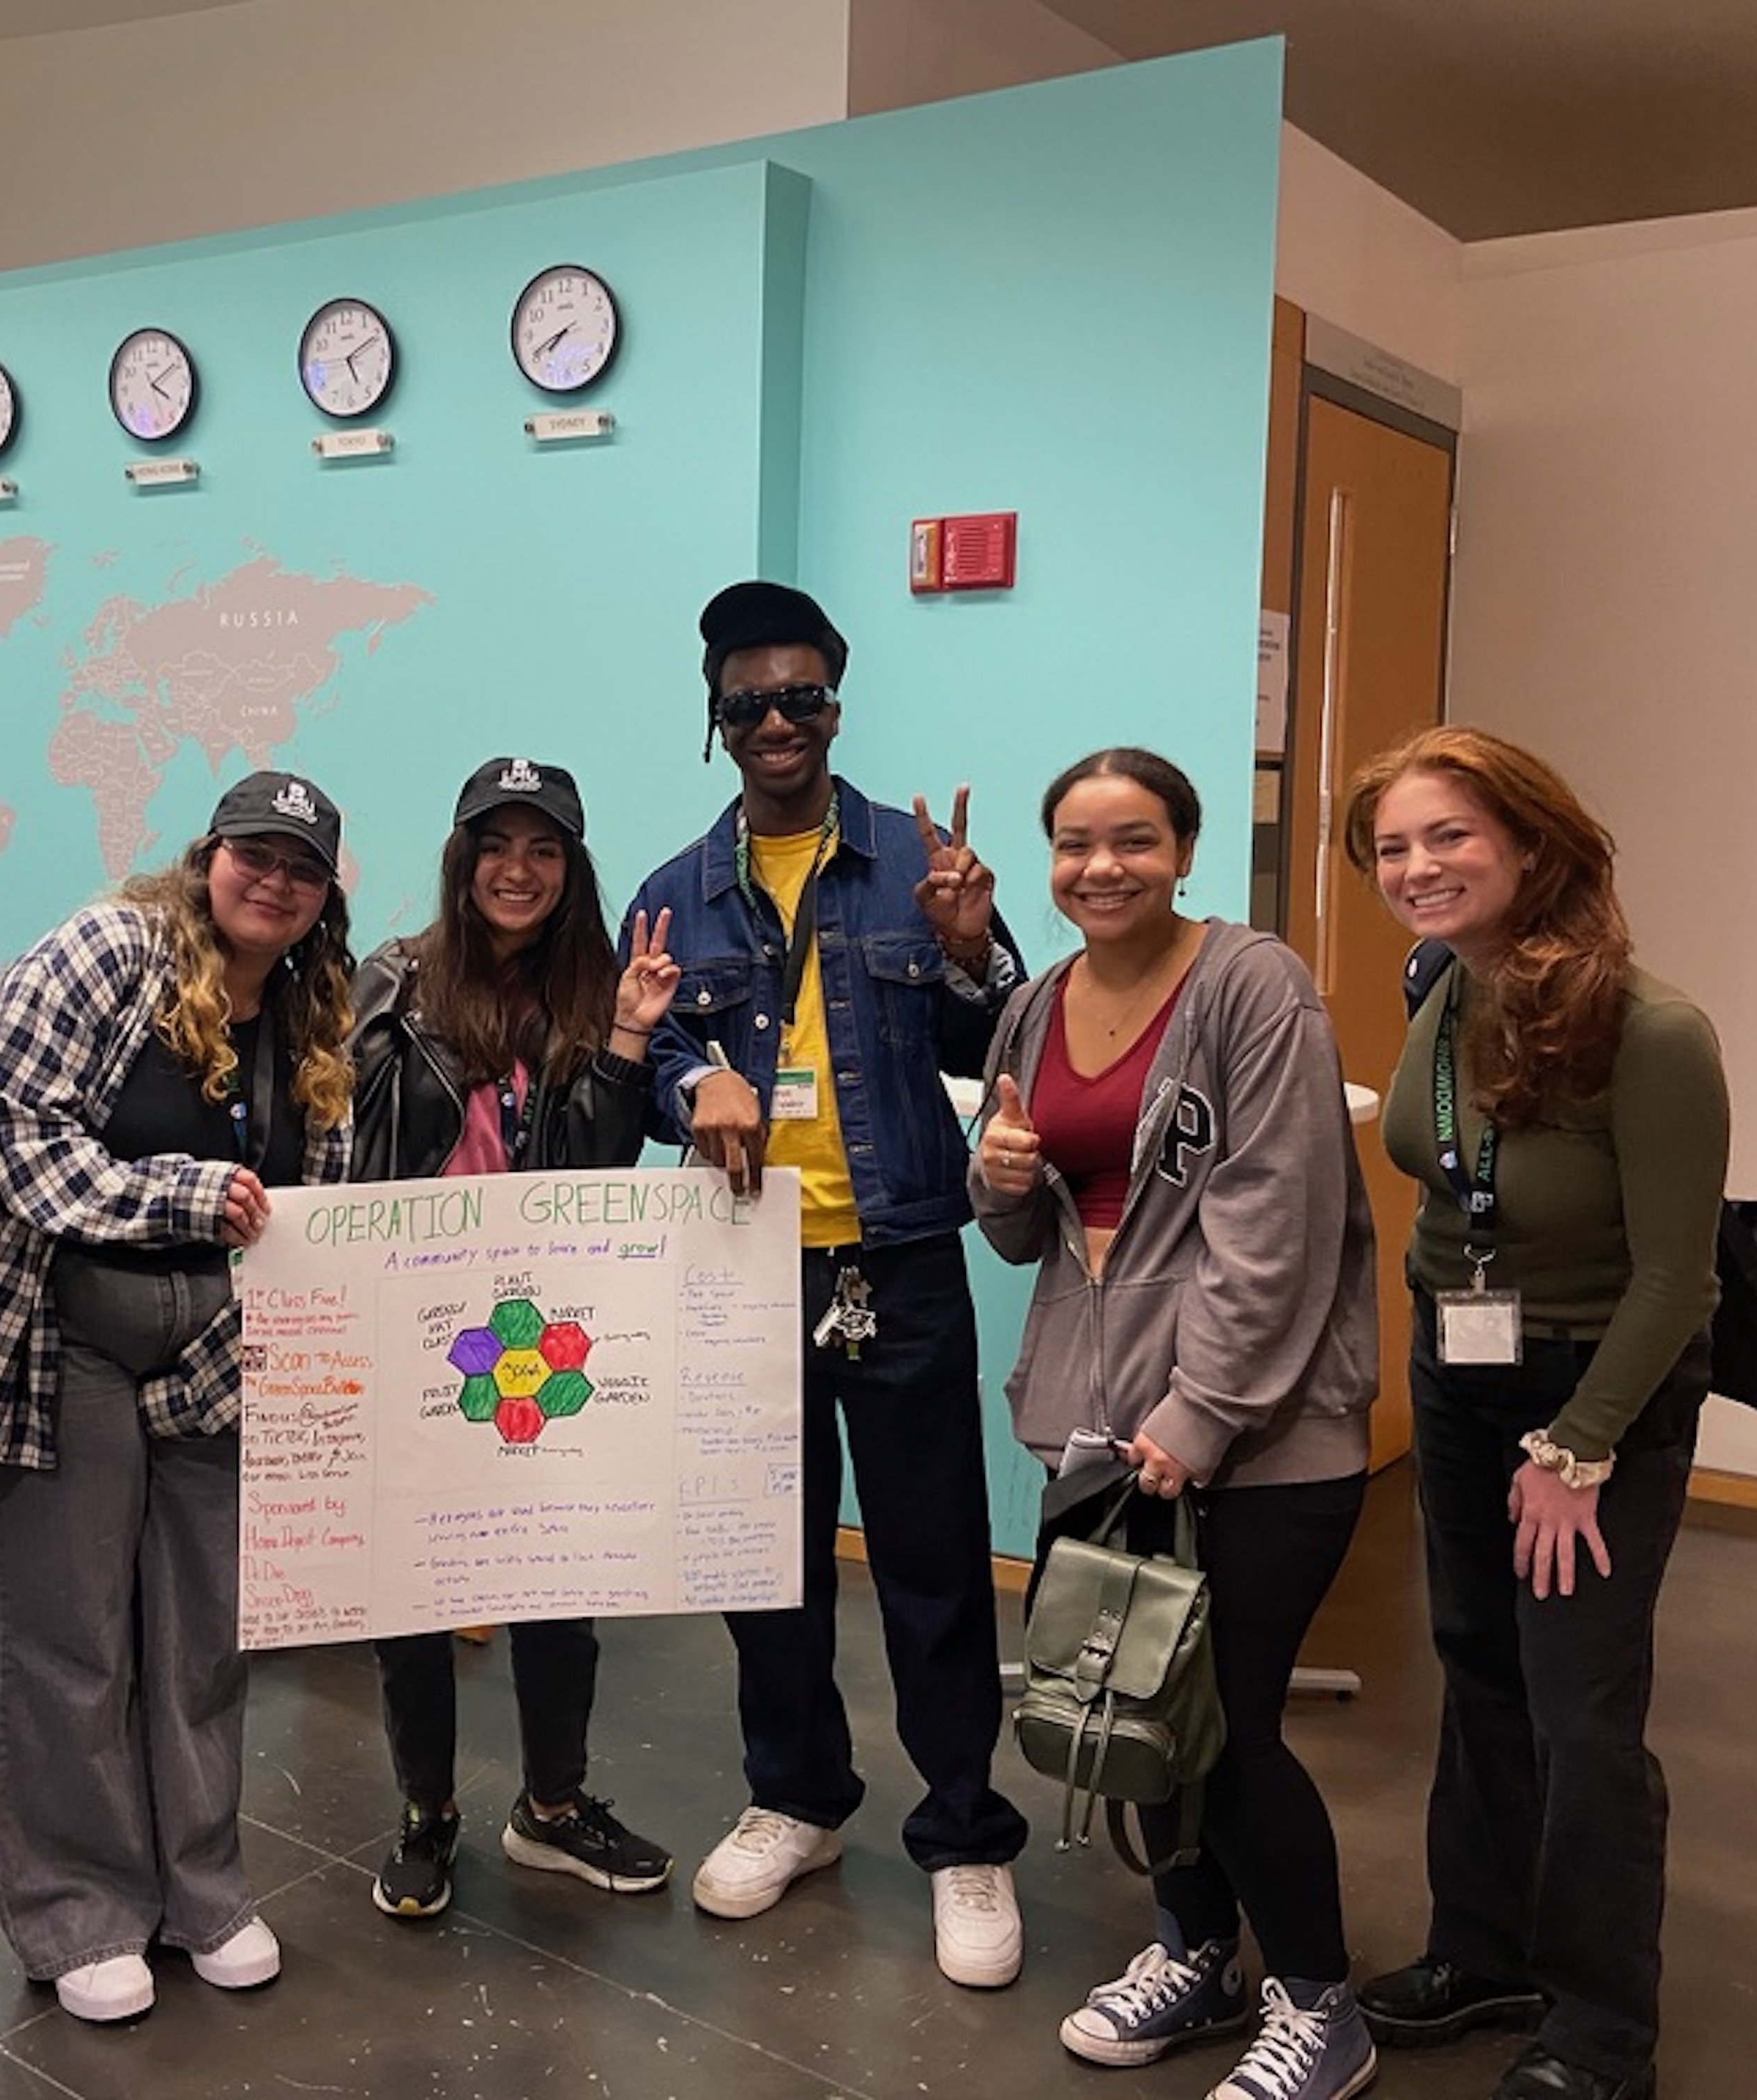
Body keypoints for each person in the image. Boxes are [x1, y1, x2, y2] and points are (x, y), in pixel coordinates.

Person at [623, 579, 1032, 1988]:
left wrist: (976, 950)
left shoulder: (918, 862)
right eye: (748, 702)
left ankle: (964, 1832)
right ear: (715, 722)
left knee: (928, 1555)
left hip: (898, 1254)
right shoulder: (672, 894)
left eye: (800, 696)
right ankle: (794, 1798)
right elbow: (648, 1058)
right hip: (743, 1271)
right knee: (765, 1558)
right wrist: (691, 1079)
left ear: (834, 708)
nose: (776, 720)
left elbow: (1004, 1038)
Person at [0, 770, 354, 2024]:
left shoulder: (317, 1009)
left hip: (219, 1345)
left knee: (207, 1635)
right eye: (253, 855)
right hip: (62, 1334)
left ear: (325, 895)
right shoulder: (110, 950)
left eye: (301, 868)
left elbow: (309, 1192)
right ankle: (80, 1910)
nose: (274, 882)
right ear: (209, 854)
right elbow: (22, 1134)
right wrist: (184, 1196)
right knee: (71, 1638)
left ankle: (203, 1889)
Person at [971, 748, 1380, 2100]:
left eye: (1134, 839)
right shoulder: (1034, 1005)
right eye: (1076, 843)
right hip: (1097, 1430)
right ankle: (1197, 1951)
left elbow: (1277, 1224)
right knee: (1131, 1703)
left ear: (1187, 848)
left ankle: (1325, 2005)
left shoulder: (1253, 986)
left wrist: (1202, 1413)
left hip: (1253, 1438)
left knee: (1228, 1725)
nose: (1102, 867)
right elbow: (1026, 1232)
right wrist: (998, 1174)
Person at [1340, 728, 1725, 2100]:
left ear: (1530, 844)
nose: (1415, 866)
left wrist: (1575, 1449)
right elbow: (1453, 1178)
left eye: (1447, 836)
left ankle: (1601, 2027)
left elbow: (1678, 1276)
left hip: (1593, 1385)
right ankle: (1482, 1947)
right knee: (1475, 1661)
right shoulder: (1441, 985)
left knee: (1578, 1704)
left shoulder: (1650, 1031)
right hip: (1460, 1364)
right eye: (1390, 846)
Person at [348, 755, 683, 1920]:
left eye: (544, 849)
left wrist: (633, 1040)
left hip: (545, 1320)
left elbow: (591, 1169)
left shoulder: (599, 991)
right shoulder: (390, 983)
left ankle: (551, 1807)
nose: (518, 869)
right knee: (412, 1590)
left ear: (571, 868)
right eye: (497, 845)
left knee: (556, 1570)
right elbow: (352, 1152)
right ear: (462, 858)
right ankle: (426, 1813)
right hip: (416, 1321)